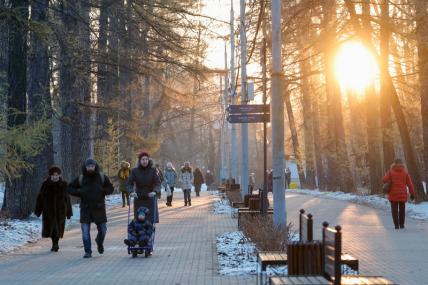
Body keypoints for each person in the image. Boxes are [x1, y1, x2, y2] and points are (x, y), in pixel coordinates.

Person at [68, 158, 114, 258]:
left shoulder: (102, 177)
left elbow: (111, 188)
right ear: (85, 167)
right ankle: (88, 251)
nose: (90, 168)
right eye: (88, 166)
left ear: (95, 166)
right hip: (86, 208)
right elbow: (69, 188)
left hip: (99, 208)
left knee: (103, 230)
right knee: (85, 232)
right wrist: (80, 192)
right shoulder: (81, 178)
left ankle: (99, 241)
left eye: (92, 166)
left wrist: (103, 191)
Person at [35, 165, 73, 252]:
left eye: (57, 175)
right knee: (51, 228)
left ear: (59, 175)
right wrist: (38, 210)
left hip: (61, 210)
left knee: (58, 228)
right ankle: (54, 244)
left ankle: (56, 244)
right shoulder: (45, 184)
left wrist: (69, 212)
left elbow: (67, 198)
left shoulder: (64, 184)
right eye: (53, 175)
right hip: (49, 210)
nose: (55, 176)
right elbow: (40, 197)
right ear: (50, 175)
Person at [127, 151, 161, 224]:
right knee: (139, 222)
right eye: (143, 159)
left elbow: (157, 183)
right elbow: (129, 183)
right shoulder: (134, 171)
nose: (145, 161)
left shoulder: (153, 170)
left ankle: (150, 235)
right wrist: (131, 192)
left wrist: (155, 191)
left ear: (148, 160)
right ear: (139, 161)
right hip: (139, 198)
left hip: (150, 197)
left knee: (150, 221)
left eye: (146, 159)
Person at [382, 158, 415, 229]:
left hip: (393, 194)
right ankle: (402, 224)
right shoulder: (405, 173)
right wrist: (412, 193)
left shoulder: (390, 172)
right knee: (402, 210)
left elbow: (384, 179)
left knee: (394, 210)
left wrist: (389, 179)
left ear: (394, 164)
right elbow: (410, 184)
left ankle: (396, 225)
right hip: (402, 194)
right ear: (402, 164)